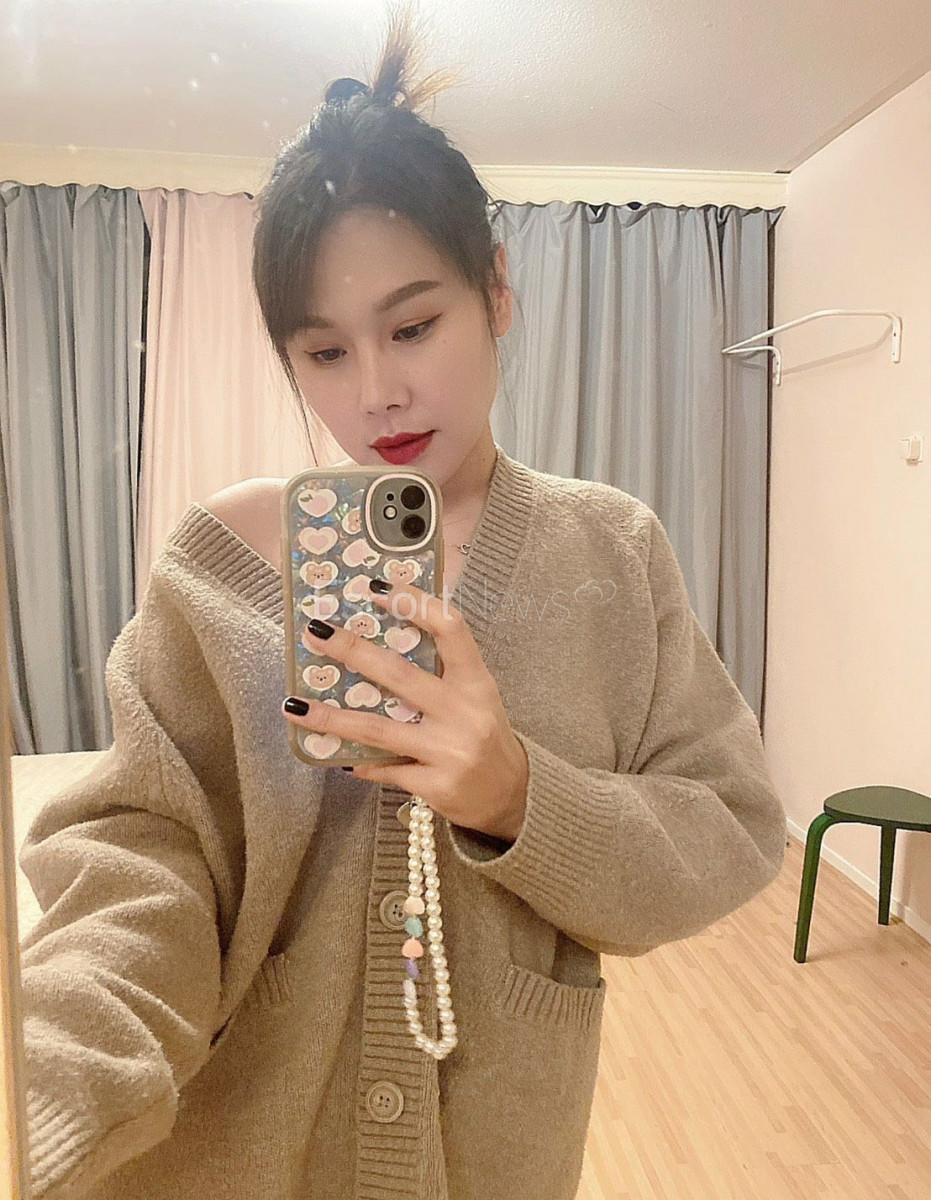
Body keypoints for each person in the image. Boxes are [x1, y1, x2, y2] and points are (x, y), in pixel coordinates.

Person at [17, 4, 788, 1199]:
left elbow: (728, 830)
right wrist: (48, 1091)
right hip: (228, 1154)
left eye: (414, 325)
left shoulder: (610, 552)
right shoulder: (223, 560)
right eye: (325, 352)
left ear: (496, 291)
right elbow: (139, 857)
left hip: (491, 1157)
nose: (377, 391)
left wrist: (519, 796)